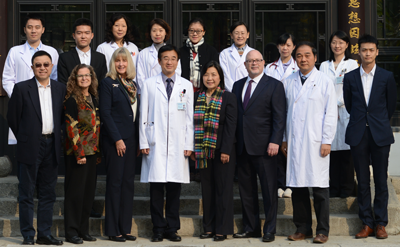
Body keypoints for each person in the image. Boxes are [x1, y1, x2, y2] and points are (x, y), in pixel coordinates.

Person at [7, 51, 65, 245]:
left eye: (46, 64)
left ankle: (44, 234)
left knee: (48, 193)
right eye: (38, 65)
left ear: (51, 67)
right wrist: (27, 136)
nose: (42, 68)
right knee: (26, 193)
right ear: (32, 67)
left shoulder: (60, 89)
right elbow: (13, 118)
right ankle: (28, 235)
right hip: (30, 145)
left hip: (52, 145)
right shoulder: (22, 88)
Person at [281, 42, 337, 244]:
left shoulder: (324, 81)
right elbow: (284, 114)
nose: (303, 59)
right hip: (295, 142)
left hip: (317, 142)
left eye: (307, 55)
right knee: (298, 187)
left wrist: (327, 141)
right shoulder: (288, 81)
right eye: (299, 56)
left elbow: (330, 113)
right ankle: (302, 228)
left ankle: (322, 231)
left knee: (320, 188)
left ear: (315, 57)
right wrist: (284, 139)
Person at [343, 34, 397, 239]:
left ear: (376, 52)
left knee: (381, 180)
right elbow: (349, 105)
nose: (367, 53)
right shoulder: (350, 77)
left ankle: (381, 223)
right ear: (359, 52)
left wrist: (378, 122)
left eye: (371, 50)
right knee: (363, 181)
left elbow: (390, 105)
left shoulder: (386, 76)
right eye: (364, 50)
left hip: (380, 134)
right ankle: (366, 223)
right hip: (358, 134)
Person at [139, 45, 194, 242]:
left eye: (172, 58)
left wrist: (189, 144)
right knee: (156, 190)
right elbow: (143, 114)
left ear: (177, 62)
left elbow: (189, 118)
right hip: (155, 143)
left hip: (179, 145)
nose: (169, 62)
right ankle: (158, 228)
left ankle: (172, 228)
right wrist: (143, 140)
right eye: (165, 58)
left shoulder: (186, 85)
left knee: (174, 190)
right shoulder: (148, 84)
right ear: (159, 61)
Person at [231, 50, 286, 242]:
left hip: (265, 147)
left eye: (257, 60)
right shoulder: (237, 86)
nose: (253, 63)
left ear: (263, 63)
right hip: (243, 146)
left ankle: (269, 229)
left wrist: (275, 141)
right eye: (250, 61)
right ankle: (251, 227)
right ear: (245, 65)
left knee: (269, 189)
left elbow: (279, 117)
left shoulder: (274, 85)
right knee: (246, 190)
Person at [191, 61, 237, 241]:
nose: (210, 78)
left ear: (220, 77)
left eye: (213, 75)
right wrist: (193, 148)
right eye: (206, 75)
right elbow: (191, 125)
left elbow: (231, 126)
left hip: (222, 151)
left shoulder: (228, 97)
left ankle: (222, 229)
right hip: (203, 151)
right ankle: (208, 227)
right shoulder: (197, 97)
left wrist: (226, 150)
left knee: (223, 190)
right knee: (207, 190)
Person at [99, 47, 139, 242]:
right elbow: (105, 113)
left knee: (128, 184)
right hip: (115, 141)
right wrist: (117, 139)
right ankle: (113, 229)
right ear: (113, 63)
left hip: (131, 140)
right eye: (117, 61)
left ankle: (125, 228)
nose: (121, 64)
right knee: (115, 183)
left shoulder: (132, 84)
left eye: (124, 61)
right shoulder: (108, 83)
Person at [2, 13, 59, 145]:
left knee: (46, 139)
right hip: (22, 104)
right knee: (25, 144)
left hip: (45, 102)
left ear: (43, 30)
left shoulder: (52, 52)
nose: (33, 30)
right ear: (24, 29)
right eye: (30, 27)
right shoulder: (15, 52)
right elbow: (7, 79)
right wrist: (19, 97)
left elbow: (55, 79)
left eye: (37, 27)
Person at [63, 64, 100, 244]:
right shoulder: (72, 100)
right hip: (78, 153)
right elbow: (71, 128)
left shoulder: (93, 97)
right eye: (80, 76)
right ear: (74, 79)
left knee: (87, 194)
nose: (84, 78)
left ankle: (83, 230)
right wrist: (79, 153)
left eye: (87, 75)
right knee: (75, 194)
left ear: (92, 78)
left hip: (92, 153)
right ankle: (71, 232)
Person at [320, 30, 359, 198]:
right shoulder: (323, 65)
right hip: (328, 113)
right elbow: (322, 89)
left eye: (341, 42)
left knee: (346, 153)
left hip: (345, 111)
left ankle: (347, 189)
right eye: (334, 42)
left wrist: (336, 104)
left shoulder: (351, 64)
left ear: (347, 45)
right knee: (332, 152)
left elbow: (351, 88)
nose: (337, 45)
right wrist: (329, 107)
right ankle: (334, 188)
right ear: (330, 44)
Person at [264, 33, 299, 199]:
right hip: (274, 112)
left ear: (293, 47)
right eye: (282, 45)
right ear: (278, 47)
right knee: (277, 147)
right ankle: (279, 183)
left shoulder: (299, 67)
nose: (285, 48)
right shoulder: (270, 68)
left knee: (291, 148)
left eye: (288, 45)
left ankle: (291, 184)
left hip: (293, 112)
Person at [136, 18, 181, 93]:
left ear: (165, 32)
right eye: (154, 31)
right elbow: (140, 77)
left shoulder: (173, 52)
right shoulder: (143, 53)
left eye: (161, 30)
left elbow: (178, 72)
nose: (157, 34)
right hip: (149, 91)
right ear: (150, 33)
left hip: (169, 90)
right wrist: (147, 91)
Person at [58, 18, 107, 85]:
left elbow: (103, 83)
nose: (83, 36)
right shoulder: (64, 58)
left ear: (92, 35)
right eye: (79, 33)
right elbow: (63, 83)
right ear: (74, 36)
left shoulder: (100, 58)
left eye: (87, 33)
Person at [180, 17, 219, 92]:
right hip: (184, 92)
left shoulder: (211, 51)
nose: (195, 34)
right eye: (191, 30)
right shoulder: (181, 51)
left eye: (198, 31)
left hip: (205, 92)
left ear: (203, 32)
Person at [219, 21, 254, 92]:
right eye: (236, 33)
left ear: (248, 35)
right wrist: (234, 90)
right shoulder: (224, 53)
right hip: (231, 91)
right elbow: (224, 75)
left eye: (242, 33)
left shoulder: (254, 53)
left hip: (250, 91)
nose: (240, 36)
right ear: (231, 35)